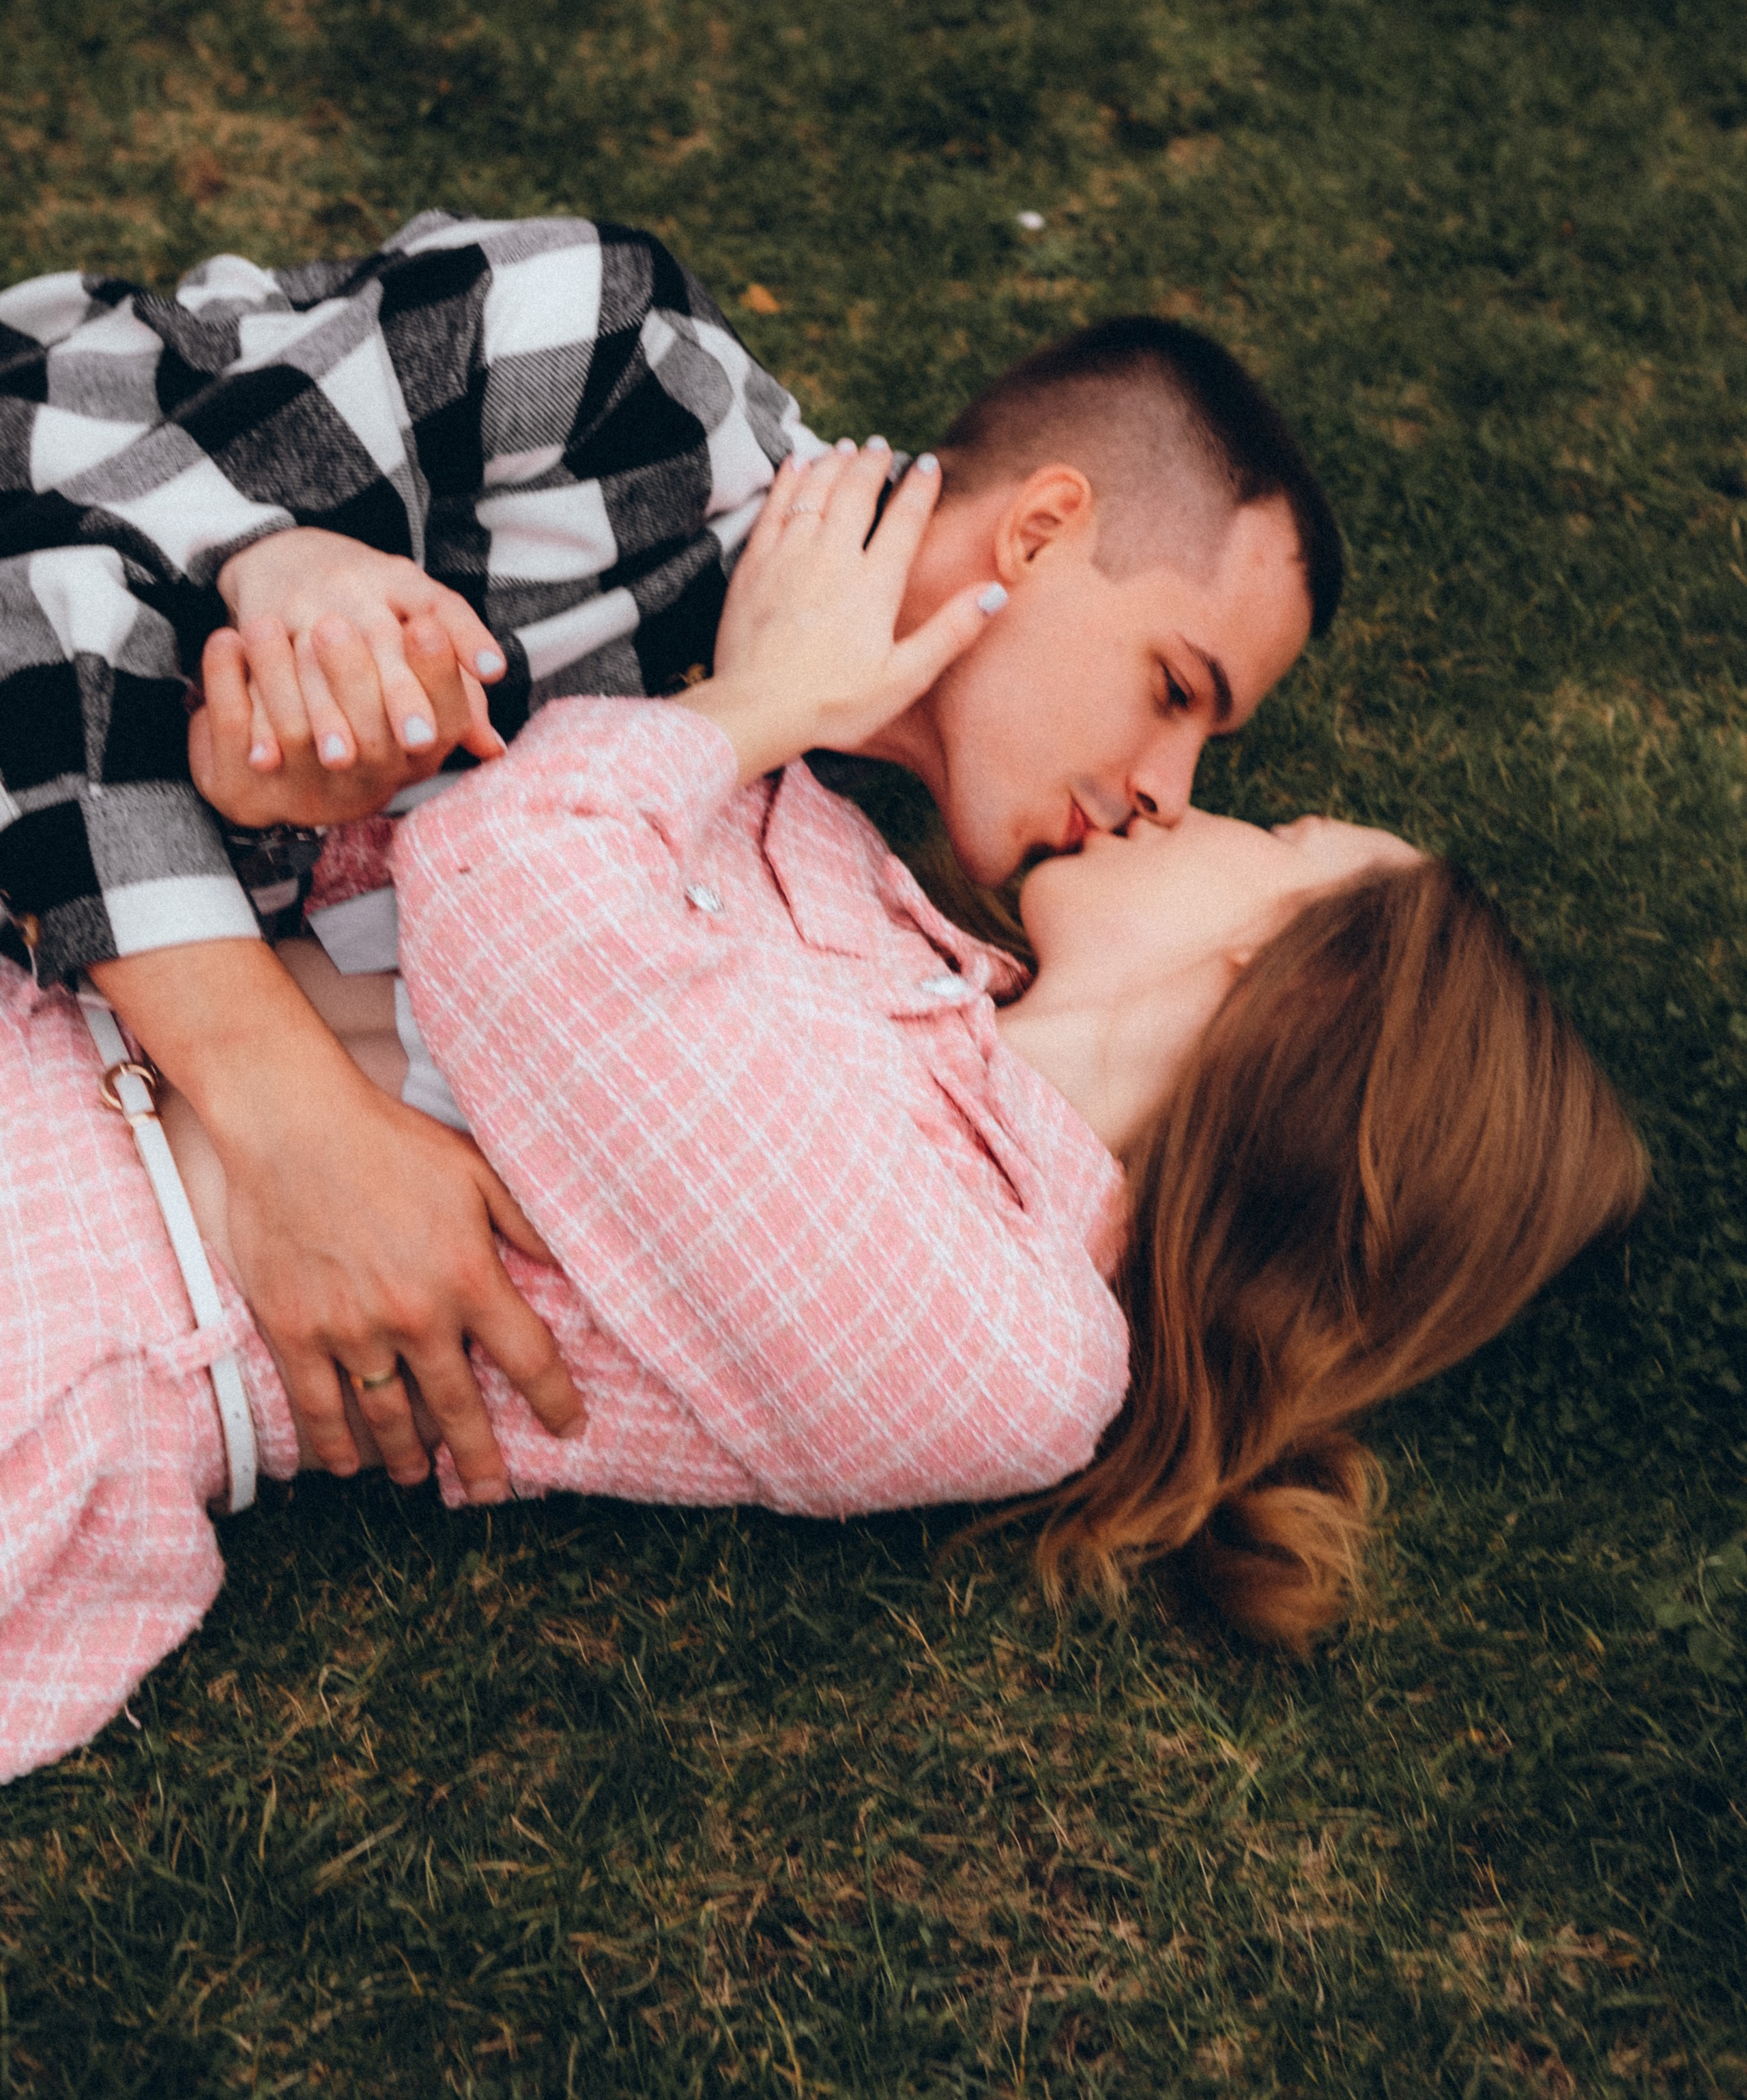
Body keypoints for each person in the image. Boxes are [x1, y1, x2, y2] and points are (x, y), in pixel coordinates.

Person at [0, 436, 1644, 1782]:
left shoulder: (1010, 1346)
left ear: (1277, 978)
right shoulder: (881, 916)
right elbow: (423, 852)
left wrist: (767, 697)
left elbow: (508, 884)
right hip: (79, 1009)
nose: (1181, 802)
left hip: (80, 1302)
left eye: (1276, 837)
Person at [0, 214, 1336, 1504]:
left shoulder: (809, 843)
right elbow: (34, 590)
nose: (1164, 795)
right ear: (1040, 533)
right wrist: (303, 1137)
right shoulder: (619, 363)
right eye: (1174, 690)